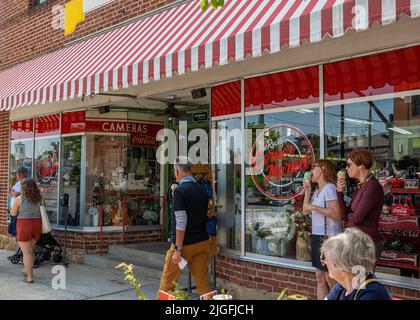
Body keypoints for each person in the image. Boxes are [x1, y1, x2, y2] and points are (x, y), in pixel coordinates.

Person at [158, 156, 212, 297]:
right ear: (190, 170)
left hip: (184, 245)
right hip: (202, 242)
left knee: (166, 286)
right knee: (204, 285)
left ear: (177, 172)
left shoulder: (180, 192)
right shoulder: (202, 190)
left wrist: (178, 249)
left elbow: (181, 221)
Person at [303, 159, 342, 300]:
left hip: (330, 237)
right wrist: (307, 191)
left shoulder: (330, 188)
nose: (311, 171)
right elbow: (305, 211)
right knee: (319, 278)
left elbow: (338, 214)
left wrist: (314, 207)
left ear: (323, 169)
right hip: (317, 235)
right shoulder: (317, 190)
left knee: (331, 278)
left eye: (314, 167)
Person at [336, 149, 384, 261]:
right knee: (354, 278)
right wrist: (339, 192)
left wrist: (351, 216)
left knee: (361, 278)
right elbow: (344, 215)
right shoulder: (361, 186)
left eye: (349, 165)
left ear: (361, 166)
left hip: (367, 244)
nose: (347, 168)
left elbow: (356, 218)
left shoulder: (372, 187)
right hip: (357, 241)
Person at [321, 228, 392, 300]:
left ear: (342, 267)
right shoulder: (342, 287)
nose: (324, 262)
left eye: (326, 259)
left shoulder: (372, 294)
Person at [10, 178, 42, 284]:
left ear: (24, 188)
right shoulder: (39, 198)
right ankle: (27, 270)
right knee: (31, 250)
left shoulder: (20, 198)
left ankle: (29, 277)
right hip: (37, 224)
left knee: (26, 252)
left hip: (24, 225)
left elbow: (13, 213)